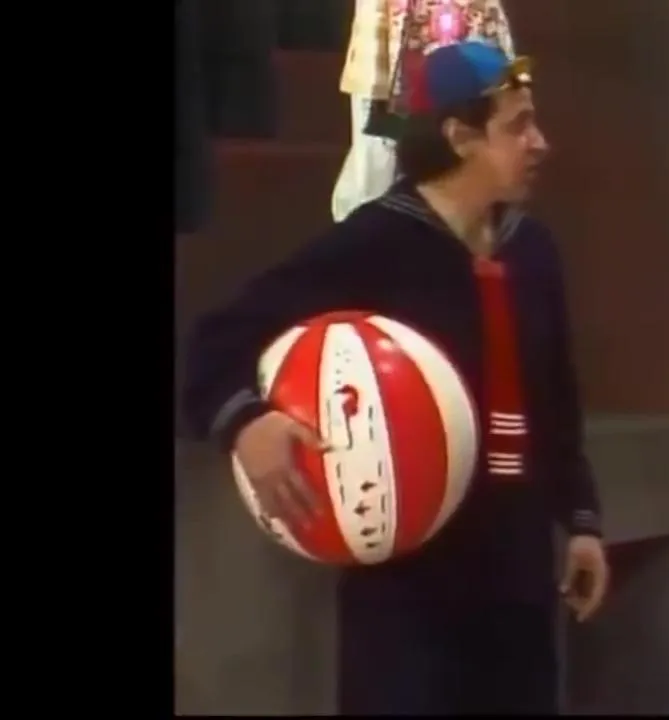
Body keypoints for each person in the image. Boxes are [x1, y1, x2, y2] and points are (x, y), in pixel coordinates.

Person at [179, 41, 609, 715]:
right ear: (459, 136)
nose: (540, 143)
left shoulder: (533, 249)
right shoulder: (375, 243)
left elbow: (556, 397)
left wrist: (581, 519)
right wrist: (246, 423)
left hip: (519, 577)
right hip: (410, 593)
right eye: (518, 125)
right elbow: (215, 340)